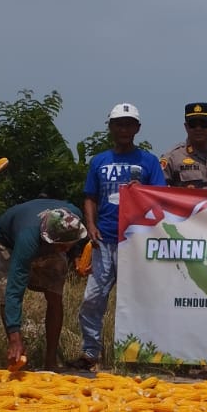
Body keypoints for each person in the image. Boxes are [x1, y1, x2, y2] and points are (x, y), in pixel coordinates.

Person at [74, 103, 166, 370]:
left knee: (140, 299)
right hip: (104, 239)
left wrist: (144, 191)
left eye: (129, 124)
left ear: (137, 128)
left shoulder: (149, 161)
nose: (124, 129)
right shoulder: (99, 161)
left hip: (136, 241)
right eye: (119, 124)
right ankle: (90, 353)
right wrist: (90, 226)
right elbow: (90, 197)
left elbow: (161, 199)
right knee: (93, 299)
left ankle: (141, 354)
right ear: (111, 127)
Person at [0, 200, 89, 371]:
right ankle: (16, 353)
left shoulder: (74, 217)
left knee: (55, 294)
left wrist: (74, 254)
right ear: (50, 239)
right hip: (6, 241)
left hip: (47, 240)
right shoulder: (26, 240)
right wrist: (15, 335)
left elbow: (70, 242)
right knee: (7, 292)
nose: (66, 249)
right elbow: (14, 292)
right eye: (62, 246)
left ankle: (50, 362)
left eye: (69, 245)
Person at [161, 102, 207, 189]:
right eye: (193, 124)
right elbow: (159, 190)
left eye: (203, 123)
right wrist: (182, 192)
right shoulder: (172, 157)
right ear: (186, 126)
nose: (198, 128)